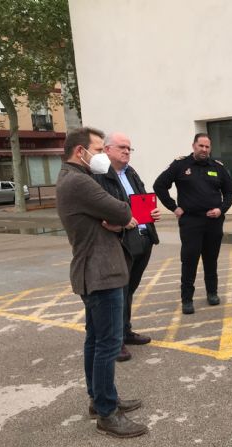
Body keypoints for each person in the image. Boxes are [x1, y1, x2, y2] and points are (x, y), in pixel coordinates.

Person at [56, 127, 148, 438]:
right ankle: (107, 413)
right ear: (79, 152)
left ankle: (100, 399)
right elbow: (123, 209)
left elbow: (116, 216)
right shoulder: (79, 180)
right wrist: (119, 218)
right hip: (100, 272)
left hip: (95, 270)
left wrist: (115, 221)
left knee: (96, 340)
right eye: (97, 150)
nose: (101, 157)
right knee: (107, 344)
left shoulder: (73, 178)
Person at [94, 132, 160, 362]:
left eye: (129, 148)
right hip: (122, 241)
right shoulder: (100, 176)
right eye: (122, 147)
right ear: (107, 150)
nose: (126, 151)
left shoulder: (131, 173)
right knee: (118, 293)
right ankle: (116, 341)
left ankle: (126, 330)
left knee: (129, 289)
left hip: (143, 237)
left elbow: (140, 200)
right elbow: (101, 209)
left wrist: (152, 212)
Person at [153, 133, 232, 315]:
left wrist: (221, 209)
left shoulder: (218, 167)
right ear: (193, 146)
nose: (204, 150)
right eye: (201, 146)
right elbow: (159, 185)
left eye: (207, 147)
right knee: (189, 260)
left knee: (211, 258)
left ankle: (212, 293)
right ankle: (187, 299)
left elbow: (230, 193)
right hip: (191, 221)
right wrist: (174, 207)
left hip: (213, 221)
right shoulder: (180, 165)